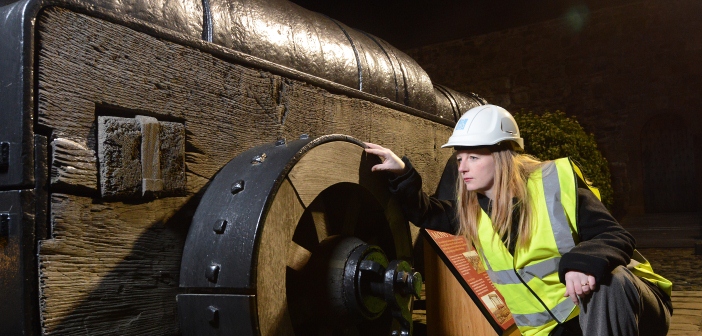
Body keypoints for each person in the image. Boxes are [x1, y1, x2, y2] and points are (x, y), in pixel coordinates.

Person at [364, 105, 672, 336]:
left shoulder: (553, 185)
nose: (463, 167)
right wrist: (401, 171)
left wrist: (582, 262)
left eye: (474, 157)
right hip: (555, 331)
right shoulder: (472, 211)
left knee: (610, 283)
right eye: (459, 159)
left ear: (502, 155)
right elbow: (425, 213)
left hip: (631, 308)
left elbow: (615, 235)